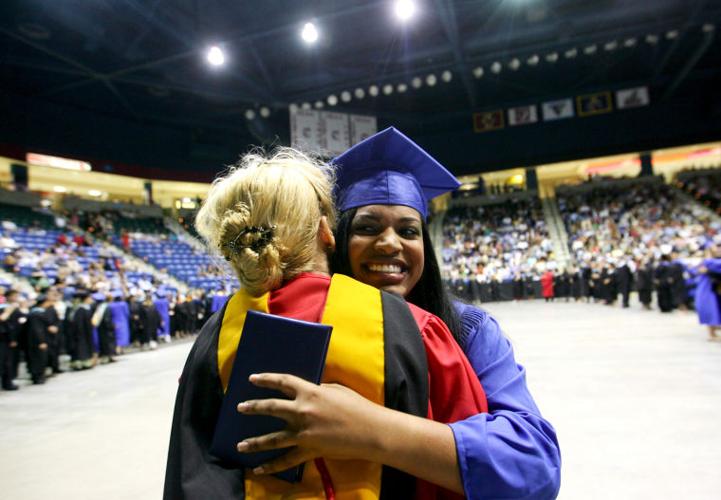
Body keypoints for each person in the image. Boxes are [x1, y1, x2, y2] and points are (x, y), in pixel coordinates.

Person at [235, 129, 559, 497]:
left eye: (408, 230)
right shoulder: (292, 325)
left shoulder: (466, 329)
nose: (390, 243)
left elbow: (535, 465)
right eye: (367, 227)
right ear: (334, 238)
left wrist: (369, 429)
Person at [164, 148, 489, 499]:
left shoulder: (215, 336)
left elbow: (190, 477)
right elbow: (472, 465)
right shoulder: (411, 326)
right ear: (326, 232)